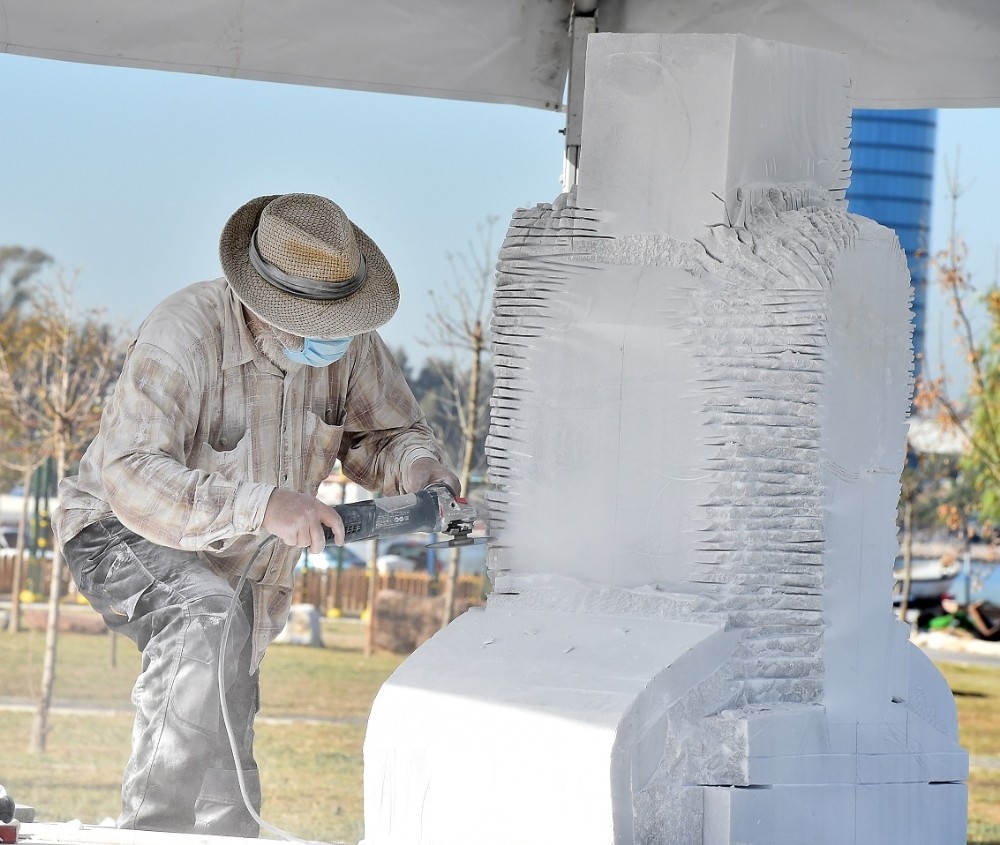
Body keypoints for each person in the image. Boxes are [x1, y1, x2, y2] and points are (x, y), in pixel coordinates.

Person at [53, 193, 460, 837]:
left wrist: (417, 468)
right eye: (313, 323)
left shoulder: (349, 346)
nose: (333, 339)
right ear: (261, 305)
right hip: (117, 526)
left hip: (234, 558)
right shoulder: (184, 332)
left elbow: (388, 434)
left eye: (342, 320)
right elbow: (130, 472)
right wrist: (264, 503)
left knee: (225, 700)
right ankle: (153, 830)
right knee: (204, 620)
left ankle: (226, 834)